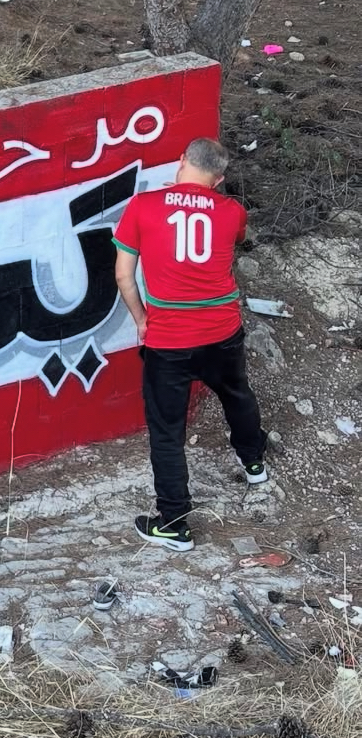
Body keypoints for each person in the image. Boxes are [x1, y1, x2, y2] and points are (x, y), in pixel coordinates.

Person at [112, 137, 268, 552]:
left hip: (168, 340)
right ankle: (254, 462)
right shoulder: (232, 211)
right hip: (222, 331)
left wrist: (141, 320)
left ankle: (174, 524)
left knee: (167, 433)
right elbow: (229, 238)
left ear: (181, 161)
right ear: (218, 179)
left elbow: (124, 276)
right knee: (236, 393)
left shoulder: (143, 206)